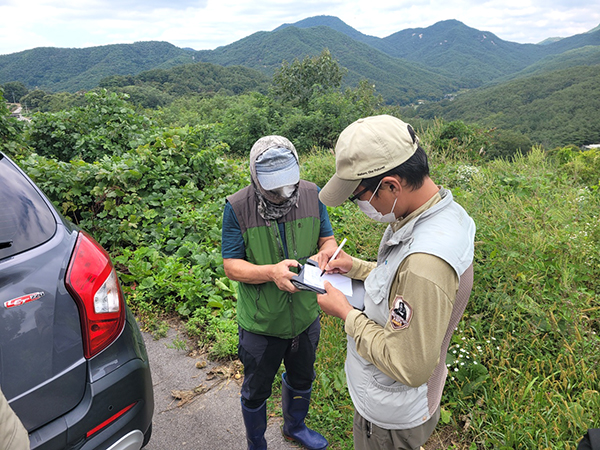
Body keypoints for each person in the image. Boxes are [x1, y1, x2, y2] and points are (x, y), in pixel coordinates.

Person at [315, 115, 476, 450]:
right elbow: (400, 280)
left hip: (392, 414)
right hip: (400, 397)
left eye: (358, 195)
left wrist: (346, 314)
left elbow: (409, 365)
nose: (360, 205)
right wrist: (355, 267)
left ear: (391, 185)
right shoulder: (442, 214)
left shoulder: (425, 262)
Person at [222, 135, 337, 450]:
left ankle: (294, 427)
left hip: (304, 316)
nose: (282, 193)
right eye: (273, 187)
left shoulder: (313, 195)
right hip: (262, 322)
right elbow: (231, 266)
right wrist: (269, 272)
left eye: (288, 184)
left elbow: (327, 239)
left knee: (303, 377)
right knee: (256, 389)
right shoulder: (237, 207)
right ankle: (256, 442)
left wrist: (324, 254)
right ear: (256, 178)